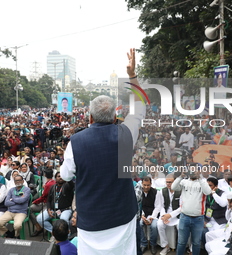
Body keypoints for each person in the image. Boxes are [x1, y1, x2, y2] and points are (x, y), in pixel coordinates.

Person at [60, 48, 146, 254]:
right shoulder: (127, 133)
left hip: (91, 220)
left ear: (90, 118)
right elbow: (140, 107)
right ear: (115, 117)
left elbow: (65, 175)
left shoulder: (76, 142)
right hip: (122, 217)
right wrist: (132, 75)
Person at [171, 164, 212, 255]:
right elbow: (173, 187)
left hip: (198, 219)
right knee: (181, 242)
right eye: (191, 170)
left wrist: (200, 178)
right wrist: (181, 176)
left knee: (196, 243)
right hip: (184, 217)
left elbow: (208, 192)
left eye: (195, 170)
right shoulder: (184, 181)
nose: (193, 172)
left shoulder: (203, 182)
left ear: (199, 171)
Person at [0, 174, 30, 239]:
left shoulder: (26, 190)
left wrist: (12, 199)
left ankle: (16, 235)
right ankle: (9, 234)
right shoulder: (11, 190)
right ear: (14, 182)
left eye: (19, 180)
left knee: (17, 225)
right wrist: (18, 200)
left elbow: (22, 200)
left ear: (23, 181)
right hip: (10, 212)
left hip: (21, 212)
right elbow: (6, 203)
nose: (18, 182)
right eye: (16, 181)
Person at [157, 174, 181, 255]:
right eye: (167, 182)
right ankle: (165, 246)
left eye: (170, 182)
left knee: (181, 226)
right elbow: (161, 206)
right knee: (159, 224)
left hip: (177, 216)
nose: (168, 184)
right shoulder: (162, 191)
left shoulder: (180, 191)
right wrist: (164, 216)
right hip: (166, 214)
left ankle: (181, 247)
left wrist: (170, 215)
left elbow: (181, 208)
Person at [30, 169, 55, 237]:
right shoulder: (49, 183)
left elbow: (43, 197)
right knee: (30, 209)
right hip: (43, 202)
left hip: (47, 203)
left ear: (44, 175)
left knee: (40, 216)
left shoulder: (49, 184)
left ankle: (46, 230)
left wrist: (35, 202)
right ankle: (38, 227)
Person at [139, 176, 161, 254]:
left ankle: (153, 244)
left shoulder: (156, 192)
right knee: (139, 224)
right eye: (144, 185)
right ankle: (143, 243)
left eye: (148, 185)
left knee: (154, 226)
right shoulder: (139, 192)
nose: (146, 187)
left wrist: (152, 217)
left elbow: (158, 206)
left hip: (153, 214)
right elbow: (138, 205)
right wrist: (142, 216)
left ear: (151, 184)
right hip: (142, 214)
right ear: (142, 184)